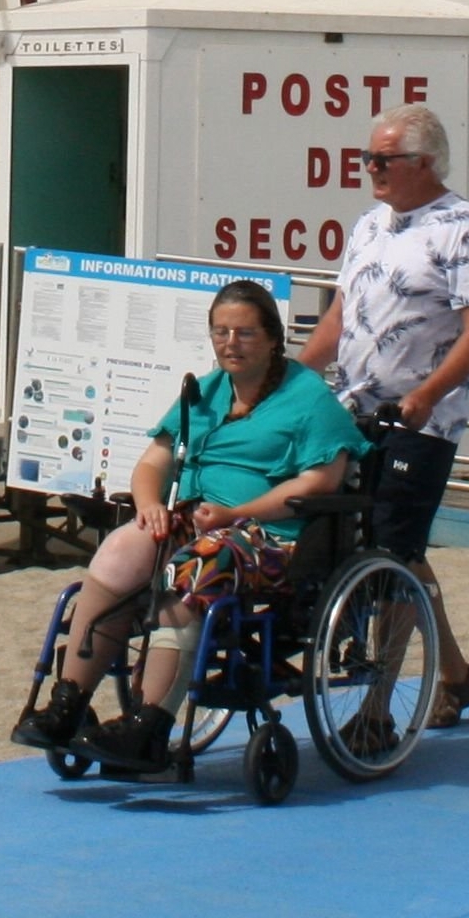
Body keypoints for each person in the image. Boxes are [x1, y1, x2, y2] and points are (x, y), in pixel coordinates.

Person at [18, 279, 366, 772]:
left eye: (244, 333)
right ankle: (67, 703)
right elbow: (152, 464)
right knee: (122, 551)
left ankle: (149, 725)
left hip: (270, 535)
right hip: (201, 520)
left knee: (195, 568)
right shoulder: (204, 393)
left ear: (272, 337)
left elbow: (318, 483)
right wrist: (149, 505)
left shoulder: (308, 398)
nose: (230, 342)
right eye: (221, 332)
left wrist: (234, 515)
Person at [297, 103, 469, 729]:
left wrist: (428, 395)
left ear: (424, 163)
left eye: (382, 160)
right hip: (352, 411)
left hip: (420, 423)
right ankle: (456, 674)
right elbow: (338, 314)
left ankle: (379, 705)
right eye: (367, 159)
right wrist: (293, 381)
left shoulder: (462, 229)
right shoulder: (368, 226)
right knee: (391, 549)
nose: (371, 170)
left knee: (391, 547)